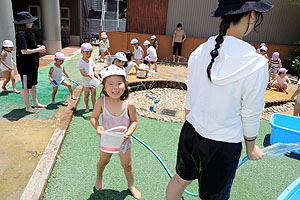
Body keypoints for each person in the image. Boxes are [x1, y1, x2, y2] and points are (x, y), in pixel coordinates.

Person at [166, 0, 274, 200]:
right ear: (251, 15)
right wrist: (251, 148)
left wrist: (194, 126)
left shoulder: (199, 50)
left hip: (191, 132)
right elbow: (251, 113)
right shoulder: (256, 63)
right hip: (223, 144)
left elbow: (190, 96)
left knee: (180, 179)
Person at [90, 65, 141, 199]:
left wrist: (128, 133)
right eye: (110, 83)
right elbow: (94, 118)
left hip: (123, 141)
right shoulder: (101, 101)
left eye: (119, 83)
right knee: (103, 162)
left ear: (125, 85)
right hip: (106, 140)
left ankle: (131, 186)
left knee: (127, 165)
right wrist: (98, 127)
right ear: (104, 86)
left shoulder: (129, 103)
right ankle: (99, 177)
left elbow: (134, 121)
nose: (115, 87)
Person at [15, 11, 47, 113]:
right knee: (26, 87)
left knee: (33, 84)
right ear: (24, 22)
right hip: (25, 66)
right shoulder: (21, 34)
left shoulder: (29, 32)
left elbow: (29, 47)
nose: (32, 23)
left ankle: (35, 103)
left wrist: (36, 47)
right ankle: (28, 107)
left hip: (33, 64)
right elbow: (23, 51)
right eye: (30, 21)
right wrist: (38, 50)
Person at [77, 43, 101, 113]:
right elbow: (82, 73)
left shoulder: (91, 61)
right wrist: (88, 75)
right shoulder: (80, 62)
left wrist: (98, 77)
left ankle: (94, 107)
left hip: (93, 80)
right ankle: (87, 106)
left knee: (94, 94)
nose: (88, 54)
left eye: (90, 53)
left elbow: (94, 71)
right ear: (82, 52)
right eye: (87, 53)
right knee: (86, 95)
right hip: (85, 81)